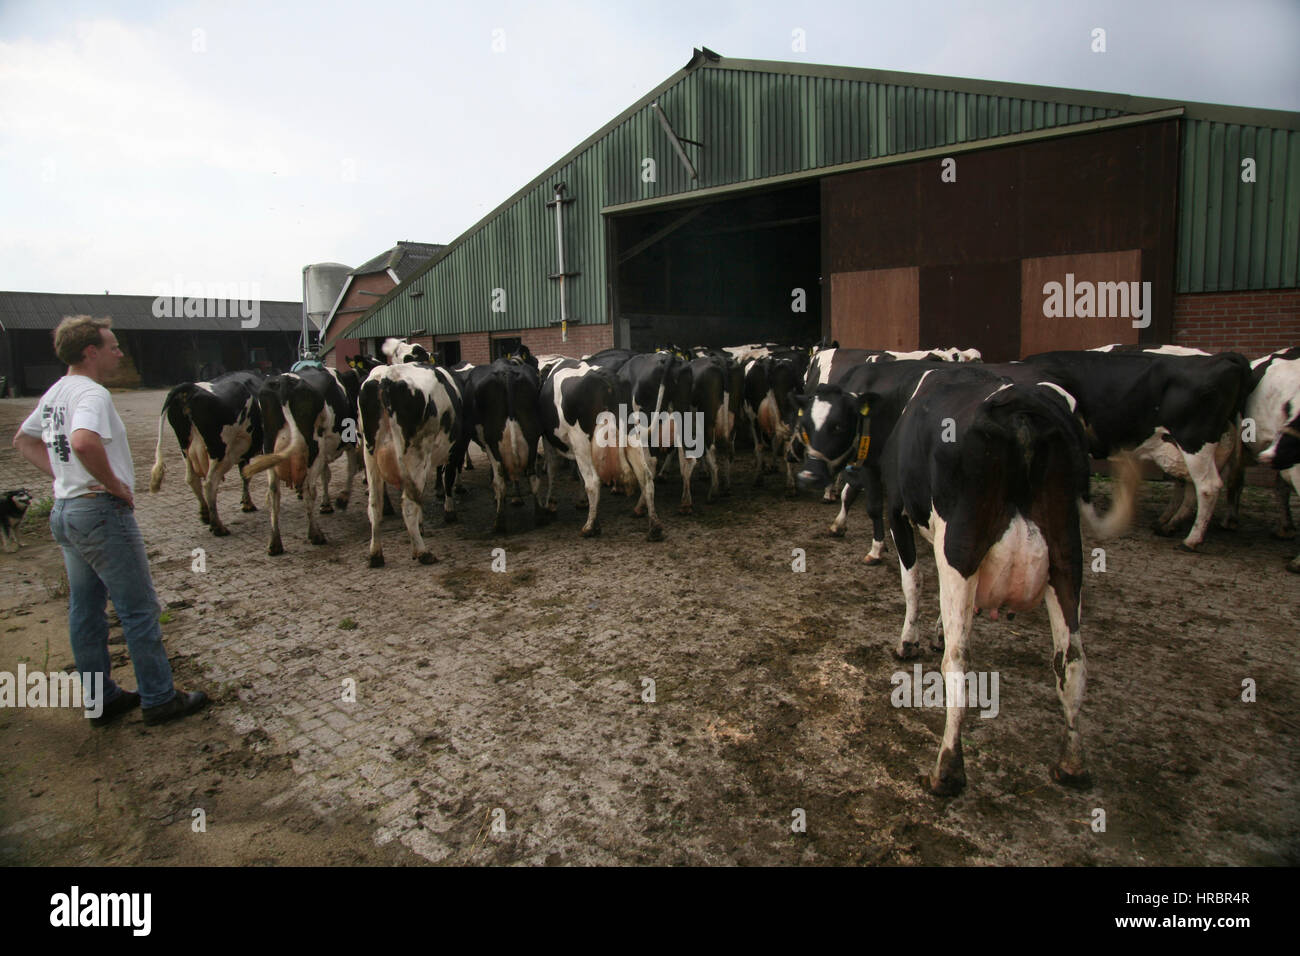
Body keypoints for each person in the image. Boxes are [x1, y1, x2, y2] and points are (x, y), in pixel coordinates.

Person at [11, 315, 206, 726]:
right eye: (114, 346)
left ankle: (100, 700)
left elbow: (23, 440)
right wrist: (113, 485)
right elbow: (83, 441)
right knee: (138, 609)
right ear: (90, 352)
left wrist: (64, 477)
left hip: (67, 512)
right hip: (100, 513)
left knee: (85, 611)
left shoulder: (55, 392)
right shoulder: (91, 393)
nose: (120, 353)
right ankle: (159, 697)